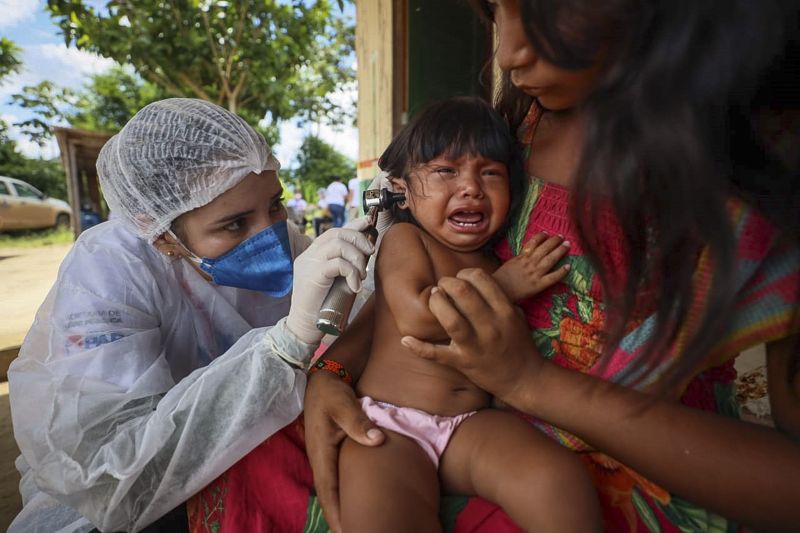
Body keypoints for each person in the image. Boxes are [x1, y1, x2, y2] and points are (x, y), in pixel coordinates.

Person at [189, 1, 800, 531]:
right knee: (237, 457)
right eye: (497, 9)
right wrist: (336, 372)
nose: (508, 51)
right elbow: (410, 300)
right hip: (428, 417)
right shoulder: (520, 126)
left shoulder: (754, 183)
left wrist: (529, 383)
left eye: (545, 8)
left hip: (591, 451)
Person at [7, 98, 374, 533]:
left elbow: (352, 312)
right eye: (235, 224)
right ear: (162, 236)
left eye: (274, 205)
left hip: (247, 451)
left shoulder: (284, 240)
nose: (272, 236)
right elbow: (115, 477)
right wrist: (288, 345)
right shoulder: (110, 272)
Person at [334, 97, 598, 532]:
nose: (471, 187)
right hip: (389, 425)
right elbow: (417, 318)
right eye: (446, 171)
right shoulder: (406, 241)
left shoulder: (498, 260)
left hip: (469, 426)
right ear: (400, 187)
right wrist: (508, 287)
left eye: (490, 172)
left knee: (555, 481)